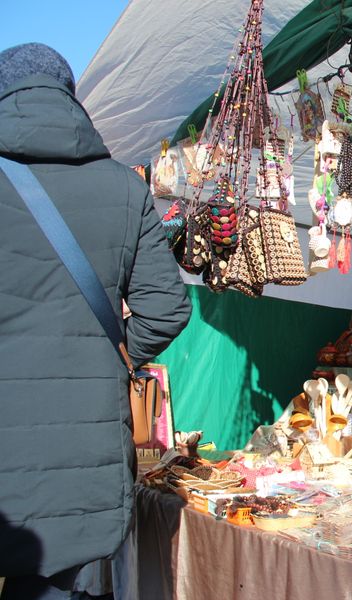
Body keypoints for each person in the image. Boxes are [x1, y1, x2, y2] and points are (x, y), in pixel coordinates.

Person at [0, 44, 192, 598]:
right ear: (69, 98)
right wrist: (110, 356)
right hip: (85, 444)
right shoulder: (125, 187)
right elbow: (166, 309)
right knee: (58, 582)